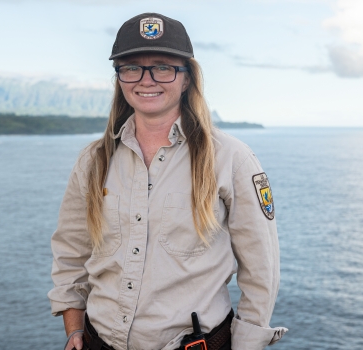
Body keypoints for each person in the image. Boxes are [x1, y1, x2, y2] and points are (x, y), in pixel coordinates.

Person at [48, 12, 287, 350]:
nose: (146, 80)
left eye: (163, 66)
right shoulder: (93, 160)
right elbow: (71, 251)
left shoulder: (231, 158)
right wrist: (74, 330)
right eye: (131, 67)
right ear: (119, 78)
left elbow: (262, 269)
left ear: (187, 78)